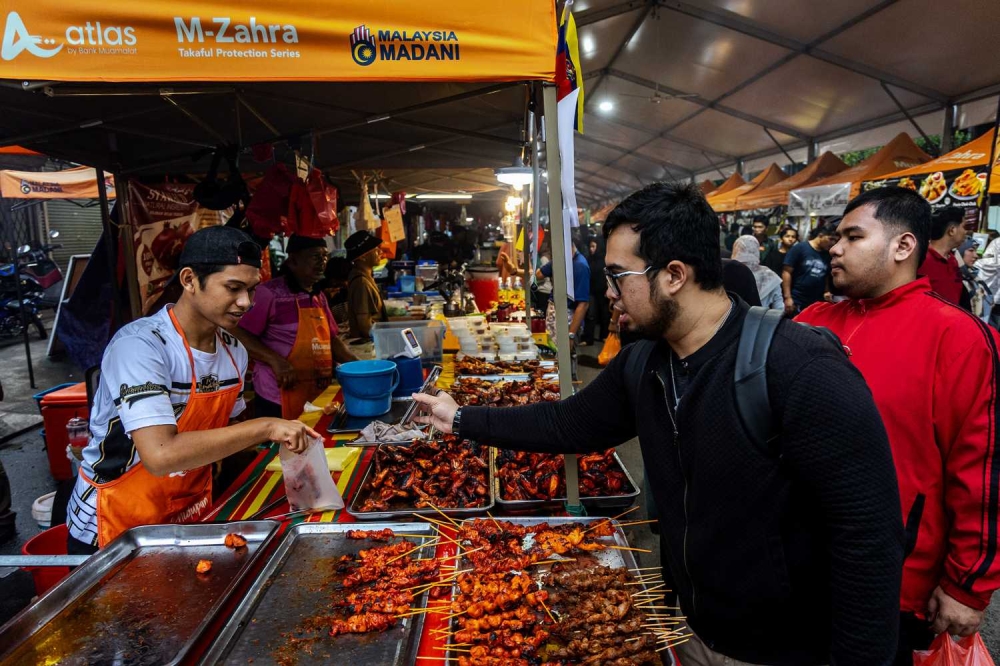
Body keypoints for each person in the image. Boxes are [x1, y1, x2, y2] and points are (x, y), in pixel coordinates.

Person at [414, 182, 904, 666]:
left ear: (673, 275)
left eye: (618, 276)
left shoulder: (800, 367)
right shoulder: (644, 362)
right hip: (688, 628)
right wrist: (461, 418)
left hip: (784, 652)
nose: (609, 294)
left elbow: (868, 538)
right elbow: (569, 423)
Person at [795, 187, 1000, 663]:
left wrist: (968, 585)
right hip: (796, 567)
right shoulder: (811, 321)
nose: (835, 248)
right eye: (836, 237)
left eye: (853, 237)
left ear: (903, 246)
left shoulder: (960, 338)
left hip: (895, 585)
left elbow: (984, 473)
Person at [65, 226, 320, 554]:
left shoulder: (233, 351)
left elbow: (227, 436)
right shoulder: (140, 346)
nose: (246, 302)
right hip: (113, 527)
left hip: (189, 517)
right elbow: (161, 455)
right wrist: (268, 427)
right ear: (189, 280)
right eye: (233, 288)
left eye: (252, 290)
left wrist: (287, 468)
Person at [233, 236, 358, 420]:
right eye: (315, 256)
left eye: (325, 256)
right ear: (293, 261)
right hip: (277, 395)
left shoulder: (318, 296)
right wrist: (275, 360)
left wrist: (359, 366)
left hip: (316, 392)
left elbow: (331, 340)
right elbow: (237, 331)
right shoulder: (268, 294)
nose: (322, 262)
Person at [536, 241, 590, 345]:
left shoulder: (580, 265)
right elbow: (538, 275)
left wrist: (571, 335)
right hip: (554, 312)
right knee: (553, 349)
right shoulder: (560, 259)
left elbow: (583, 304)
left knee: (565, 352)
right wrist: (515, 271)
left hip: (568, 317)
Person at [781, 224, 837, 315]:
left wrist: (826, 291)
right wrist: (787, 297)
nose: (833, 243)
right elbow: (786, 272)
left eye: (835, 240)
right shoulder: (800, 248)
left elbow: (826, 275)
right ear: (820, 235)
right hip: (797, 299)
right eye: (830, 239)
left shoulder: (827, 254)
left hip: (816, 302)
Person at [918, 206, 967, 305]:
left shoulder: (953, 259)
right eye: (964, 227)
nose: (966, 232)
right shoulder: (921, 260)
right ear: (952, 230)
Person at [344, 230, 386, 340]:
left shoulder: (366, 277)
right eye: (376, 250)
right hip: (368, 343)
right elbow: (365, 327)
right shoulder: (362, 283)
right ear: (362, 257)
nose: (380, 252)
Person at [730, 235, 783, 310]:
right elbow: (779, 307)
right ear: (756, 251)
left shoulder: (728, 273)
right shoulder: (769, 275)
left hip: (733, 316)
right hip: (761, 316)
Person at [583, 238, 610, 344]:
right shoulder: (589, 259)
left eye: (593, 246)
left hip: (603, 291)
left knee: (604, 314)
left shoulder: (605, 260)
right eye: (590, 246)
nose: (591, 249)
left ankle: (604, 335)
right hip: (592, 291)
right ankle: (588, 338)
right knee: (591, 314)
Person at [322, 256, 352, 328]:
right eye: (333, 281)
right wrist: (325, 299)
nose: (334, 284)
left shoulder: (350, 290)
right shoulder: (321, 291)